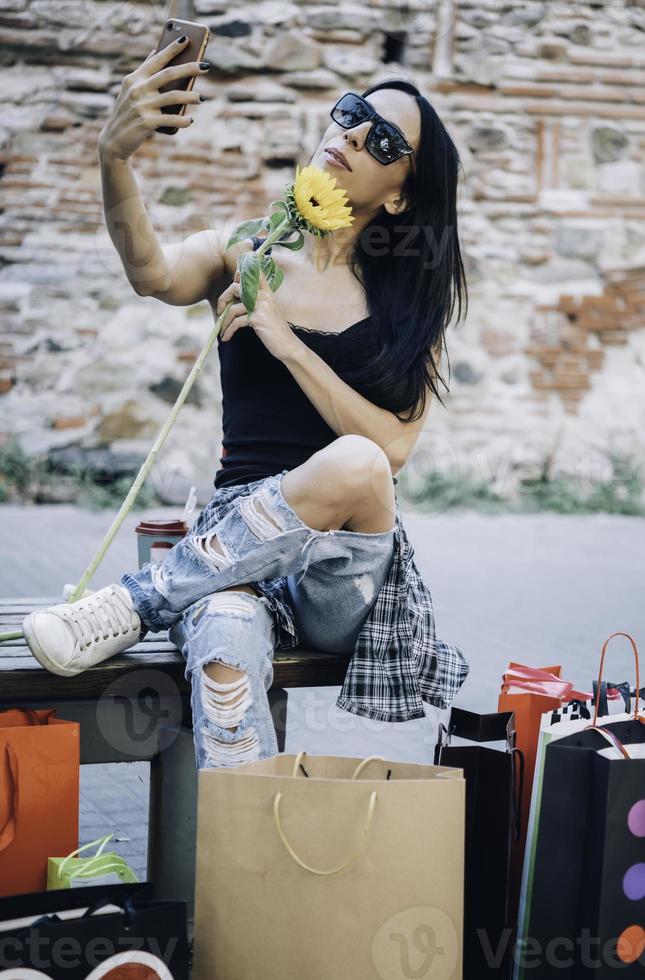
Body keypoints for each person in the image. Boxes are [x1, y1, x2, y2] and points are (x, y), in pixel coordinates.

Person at [22, 36, 471, 769]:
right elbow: (153, 273)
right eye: (350, 113)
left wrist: (283, 338)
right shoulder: (247, 249)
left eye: (382, 138)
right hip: (236, 555)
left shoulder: (408, 306)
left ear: (399, 192)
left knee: (355, 461)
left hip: (337, 574)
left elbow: (389, 453)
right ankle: (251, 868)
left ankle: (135, 602)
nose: (352, 134)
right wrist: (114, 157)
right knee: (224, 662)